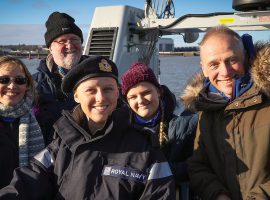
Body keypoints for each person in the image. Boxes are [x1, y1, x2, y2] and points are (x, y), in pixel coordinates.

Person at [0, 56, 175, 199]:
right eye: (91, 90)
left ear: (118, 92)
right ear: (76, 96)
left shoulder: (146, 150)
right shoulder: (61, 145)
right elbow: (27, 182)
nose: (100, 98)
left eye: (108, 89)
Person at [181, 25, 270, 199]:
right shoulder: (206, 111)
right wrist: (218, 194)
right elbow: (198, 166)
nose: (225, 71)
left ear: (245, 57)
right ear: (204, 69)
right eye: (214, 64)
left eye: (231, 60)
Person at [121, 63, 198, 189]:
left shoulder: (186, 124)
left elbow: (194, 166)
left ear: (159, 92)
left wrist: (148, 172)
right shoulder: (121, 129)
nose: (140, 100)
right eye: (133, 97)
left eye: (146, 92)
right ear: (127, 101)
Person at [33, 11, 88, 145]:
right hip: (50, 159)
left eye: (74, 39)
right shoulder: (32, 85)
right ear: (50, 48)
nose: (69, 45)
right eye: (62, 41)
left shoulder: (100, 78)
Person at [0, 56, 44, 189]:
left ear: (27, 85)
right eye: (4, 80)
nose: (12, 86)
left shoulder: (40, 118)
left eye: (19, 80)